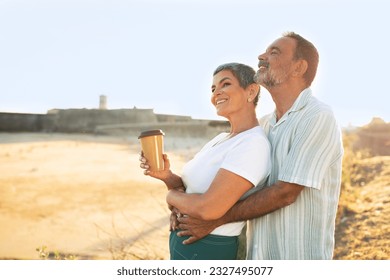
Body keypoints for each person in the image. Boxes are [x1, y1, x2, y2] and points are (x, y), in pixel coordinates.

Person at [175, 32, 344, 260]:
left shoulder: (317, 116)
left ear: (298, 68)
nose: (261, 56)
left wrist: (216, 219)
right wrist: (183, 206)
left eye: (274, 52)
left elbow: (285, 193)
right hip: (259, 257)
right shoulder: (265, 125)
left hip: (298, 257)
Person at [140, 62, 271, 260]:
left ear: (251, 91)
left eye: (225, 84)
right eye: (213, 89)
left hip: (208, 248)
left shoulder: (253, 144)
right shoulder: (220, 139)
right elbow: (191, 190)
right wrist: (166, 177)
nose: (216, 93)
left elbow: (208, 208)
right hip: (186, 245)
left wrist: (171, 197)